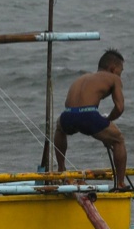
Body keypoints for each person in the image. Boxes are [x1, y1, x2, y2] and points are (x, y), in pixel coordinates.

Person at [51, 49, 128, 189]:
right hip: (88, 114)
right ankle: (121, 183)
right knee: (118, 140)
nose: (120, 76)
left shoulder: (82, 78)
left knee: (59, 128)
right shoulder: (113, 78)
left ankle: (61, 170)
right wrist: (108, 121)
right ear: (113, 68)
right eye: (120, 72)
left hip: (68, 114)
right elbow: (119, 107)